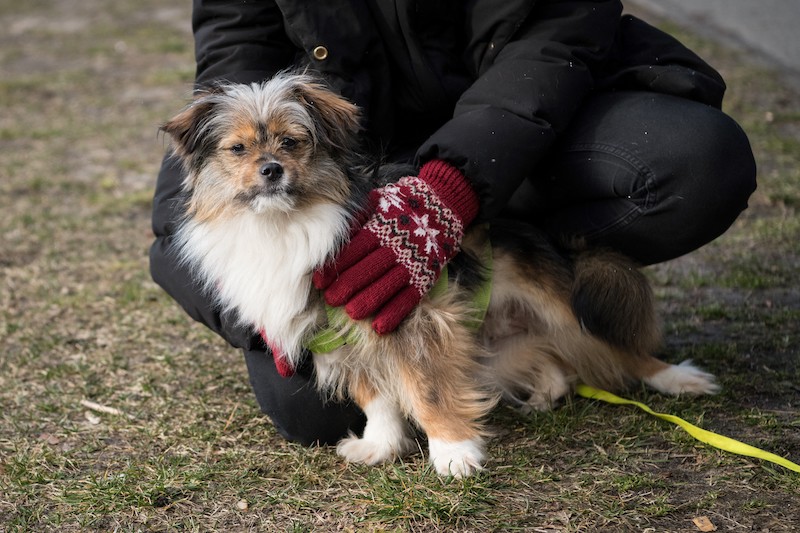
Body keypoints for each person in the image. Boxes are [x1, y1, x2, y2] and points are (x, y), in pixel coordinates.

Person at [150, 0, 757, 446]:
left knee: (694, 162)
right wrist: (267, 318)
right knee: (310, 413)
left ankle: (537, 284)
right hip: (356, 173)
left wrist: (452, 190)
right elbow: (183, 205)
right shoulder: (232, 148)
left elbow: (560, 31)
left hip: (526, 137)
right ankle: (519, 354)